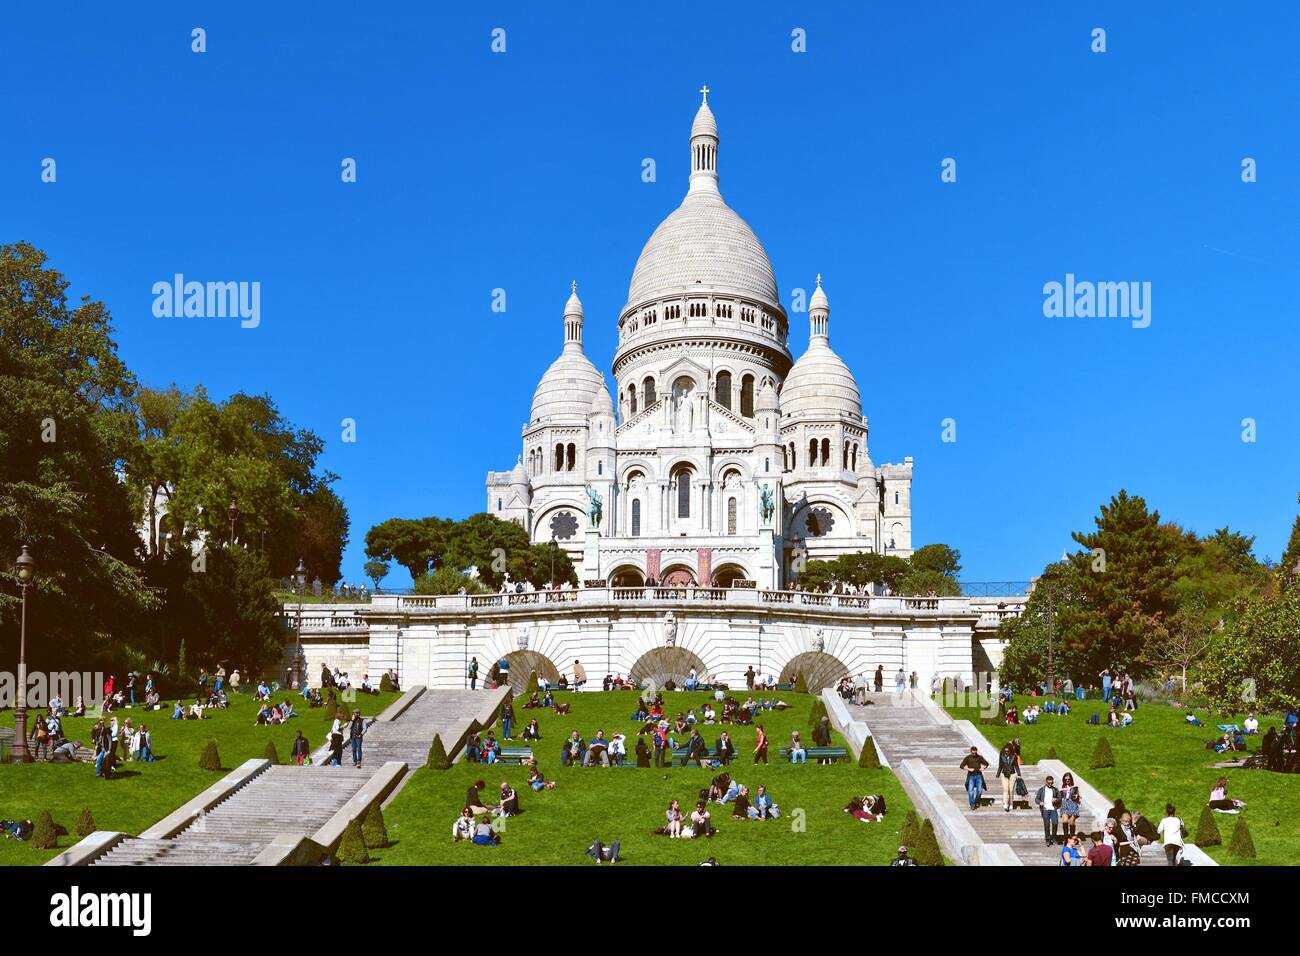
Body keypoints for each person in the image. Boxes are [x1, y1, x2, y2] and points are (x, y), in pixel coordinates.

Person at [1035, 774, 1061, 846]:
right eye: (1049, 783)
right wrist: (1040, 802)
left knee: (1055, 823)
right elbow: (1036, 799)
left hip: (1053, 809)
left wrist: (1056, 799)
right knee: (1047, 825)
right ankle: (1047, 839)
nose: (1050, 784)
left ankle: (1053, 837)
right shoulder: (1042, 789)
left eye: (1051, 783)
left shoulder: (1055, 789)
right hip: (1045, 809)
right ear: (1046, 782)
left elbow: (1060, 798)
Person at [961, 746, 990, 810]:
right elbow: (961, 766)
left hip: (979, 776)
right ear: (971, 752)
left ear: (976, 752)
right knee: (970, 791)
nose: (974, 754)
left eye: (975, 753)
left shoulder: (980, 757)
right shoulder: (968, 758)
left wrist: (983, 768)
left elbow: (987, 763)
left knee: (979, 791)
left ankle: (976, 801)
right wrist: (968, 769)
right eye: (973, 753)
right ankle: (972, 804)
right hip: (971, 776)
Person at [1059, 772, 1081, 840]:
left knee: (1072, 822)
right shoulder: (1062, 788)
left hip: (1073, 804)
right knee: (1065, 821)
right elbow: (1059, 797)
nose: (1067, 781)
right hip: (1065, 804)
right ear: (1064, 780)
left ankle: (1071, 836)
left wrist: (1077, 796)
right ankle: (1066, 837)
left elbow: (1078, 796)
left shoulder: (1075, 787)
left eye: (1068, 779)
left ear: (1071, 779)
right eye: (1066, 779)